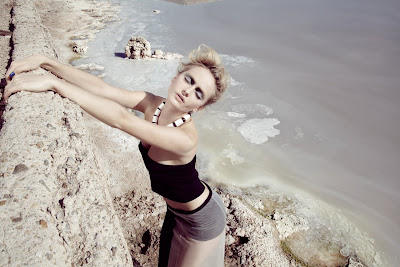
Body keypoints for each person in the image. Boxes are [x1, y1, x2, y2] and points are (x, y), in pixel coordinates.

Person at [4, 44, 230, 267]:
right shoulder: (154, 104)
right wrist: (46, 61)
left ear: (198, 108)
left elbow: (122, 120)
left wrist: (54, 84)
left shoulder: (185, 139)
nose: (188, 91)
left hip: (201, 219)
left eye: (199, 93)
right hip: (175, 211)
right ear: (176, 78)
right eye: (189, 80)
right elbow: (104, 89)